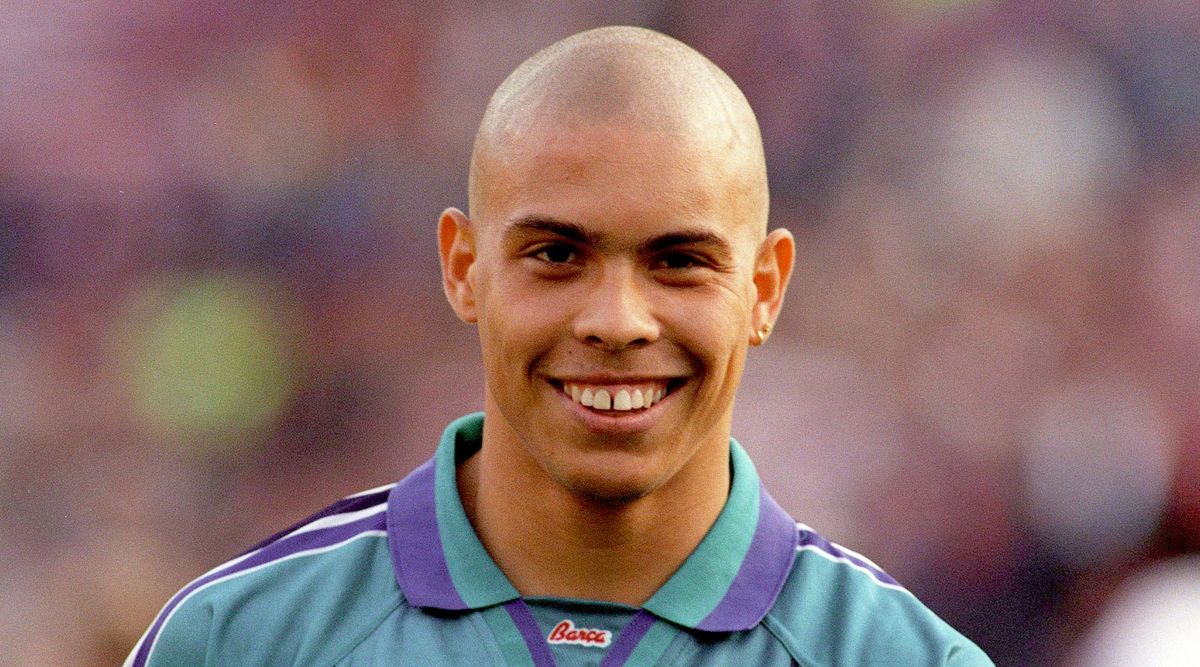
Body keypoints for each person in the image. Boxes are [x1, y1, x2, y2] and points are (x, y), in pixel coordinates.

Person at [125, 26, 992, 666]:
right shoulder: (240, 639)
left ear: (764, 288)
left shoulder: (899, 656)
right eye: (556, 254)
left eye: (679, 260)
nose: (617, 320)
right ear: (464, 268)